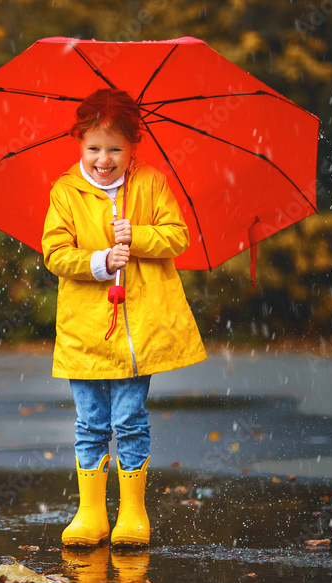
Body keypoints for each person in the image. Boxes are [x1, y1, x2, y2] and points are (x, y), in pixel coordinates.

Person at [42, 88, 206, 547]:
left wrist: (138, 236)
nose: (103, 159)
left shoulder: (150, 184)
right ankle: (90, 512)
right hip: (85, 330)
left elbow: (177, 237)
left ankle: (133, 512)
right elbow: (55, 253)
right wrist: (99, 262)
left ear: (134, 145)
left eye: (115, 148)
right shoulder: (65, 192)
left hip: (137, 332)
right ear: (79, 144)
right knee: (90, 421)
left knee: (130, 418)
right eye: (93, 147)